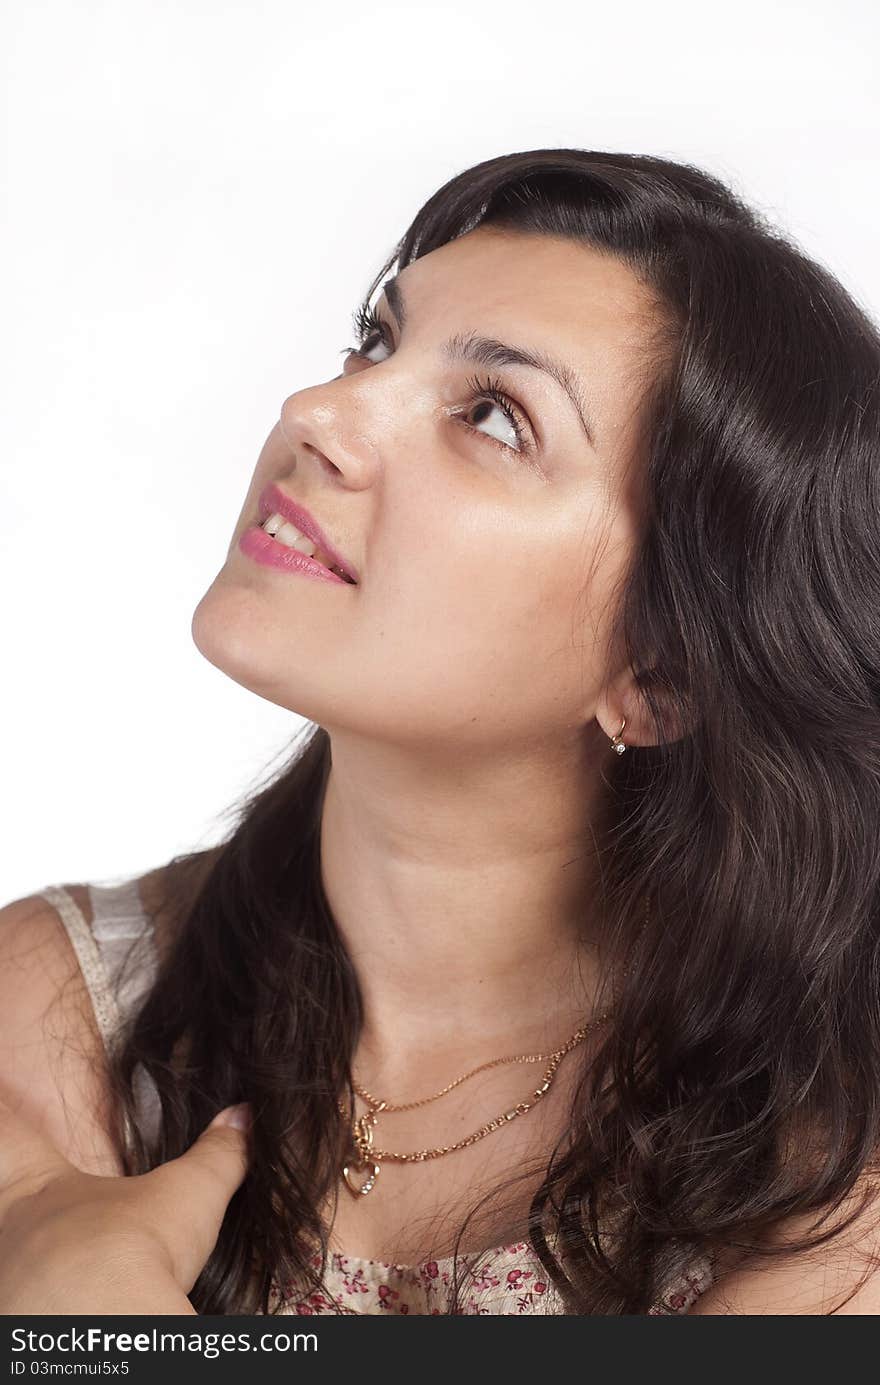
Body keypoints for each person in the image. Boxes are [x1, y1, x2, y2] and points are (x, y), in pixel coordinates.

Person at [2, 147, 880, 1316]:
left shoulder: (824, 1181)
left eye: (493, 416)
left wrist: (90, 1318)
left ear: (658, 674)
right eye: (374, 341)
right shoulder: (60, 1010)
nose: (317, 412)